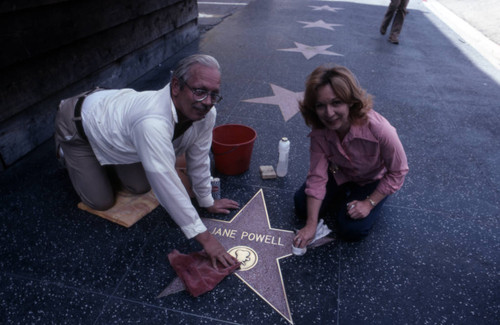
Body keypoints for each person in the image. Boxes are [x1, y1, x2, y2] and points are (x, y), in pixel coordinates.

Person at [55, 54, 239, 268]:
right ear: (176, 86)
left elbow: (198, 157)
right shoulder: (151, 122)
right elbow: (166, 184)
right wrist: (207, 240)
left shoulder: (207, 113)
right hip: (78, 125)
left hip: (118, 123)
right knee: (99, 201)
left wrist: (207, 200)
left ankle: (108, 153)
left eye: (213, 94)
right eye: (199, 91)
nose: (207, 102)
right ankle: (71, 152)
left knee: (140, 186)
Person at [293, 65, 408, 247]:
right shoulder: (320, 131)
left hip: (372, 179)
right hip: (340, 173)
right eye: (320, 106)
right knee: (301, 205)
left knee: (351, 230)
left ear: (350, 101)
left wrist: (369, 203)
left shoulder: (380, 129)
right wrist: (311, 225)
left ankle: (368, 198)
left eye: (336, 103)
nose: (329, 114)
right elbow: (317, 176)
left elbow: (398, 171)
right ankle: (345, 197)